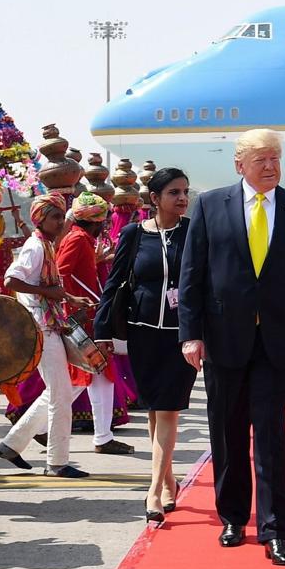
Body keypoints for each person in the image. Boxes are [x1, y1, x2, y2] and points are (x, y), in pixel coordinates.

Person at [178, 128, 285, 566]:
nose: (270, 167)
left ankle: (275, 529)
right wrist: (191, 333)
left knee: (270, 434)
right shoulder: (210, 205)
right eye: (261, 160)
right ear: (239, 164)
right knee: (227, 432)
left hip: (278, 340)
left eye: (276, 159)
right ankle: (232, 517)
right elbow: (193, 275)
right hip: (224, 338)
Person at [94, 168, 199, 521]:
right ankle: (169, 480)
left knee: (168, 408)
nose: (182, 199)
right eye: (173, 193)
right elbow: (115, 282)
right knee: (155, 408)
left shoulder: (195, 232)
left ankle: (153, 491)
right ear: (154, 199)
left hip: (183, 335)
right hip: (143, 333)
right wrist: (102, 330)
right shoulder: (133, 235)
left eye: (185, 192)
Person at [0, 194, 94, 477]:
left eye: (62, 218)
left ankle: (11, 445)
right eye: (55, 218)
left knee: (56, 392)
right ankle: (57, 462)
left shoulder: (47, 245)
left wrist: (72, 299)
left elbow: (49, 286)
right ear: (40, 219)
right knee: (61, 394)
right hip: (41, 327)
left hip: (49, 324)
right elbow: (12, 279)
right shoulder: (36, 246)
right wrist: (48, 293)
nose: (60, 223)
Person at [55, 192, 133, 455]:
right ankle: (22, 435)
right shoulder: (77, 239)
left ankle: (103, 436)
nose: (107, 225)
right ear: (96, 221)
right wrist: (76, 301)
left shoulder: (83, 239)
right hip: (85, 319)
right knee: (89, 378)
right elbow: (60, 272)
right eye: (105, 219)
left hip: (92, 317)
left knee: (96, 377)